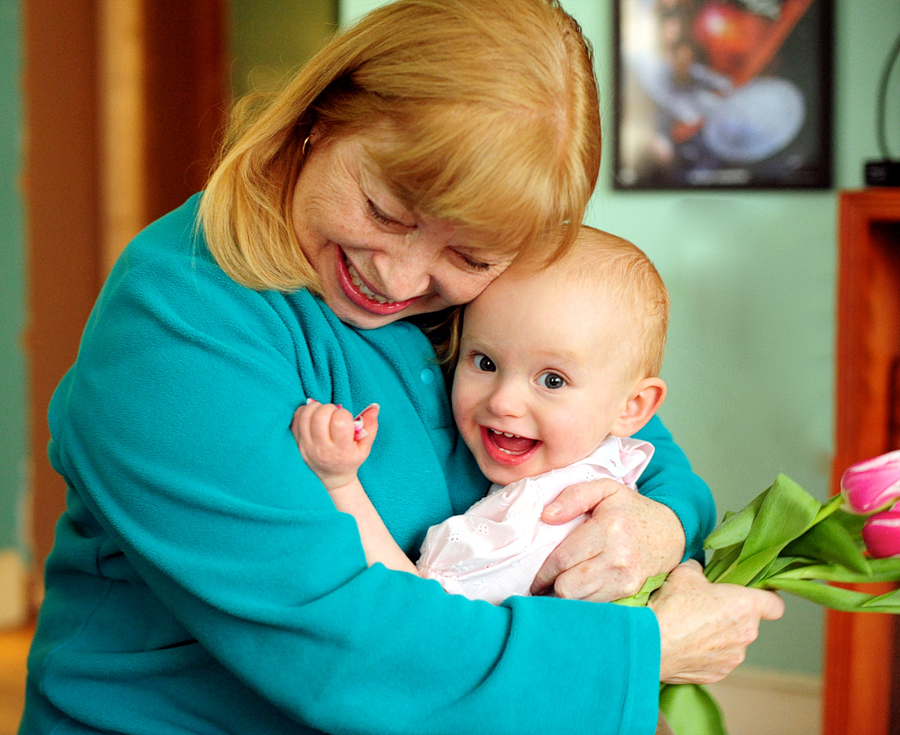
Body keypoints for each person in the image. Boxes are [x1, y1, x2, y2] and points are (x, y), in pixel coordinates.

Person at [20, 2, 784, 734]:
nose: (399, 278)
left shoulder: (494, 298)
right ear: (321, 118)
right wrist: (642, 653)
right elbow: (335, 640)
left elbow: (636, 443)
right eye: (387, 210)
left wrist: (655, 524)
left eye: (468, 254)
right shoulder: (177, 317)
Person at [293, 227, 671, 606]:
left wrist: (340, 483)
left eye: (552, 380)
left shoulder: (536, 523)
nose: (504, 402)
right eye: (485, 362)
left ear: (632, 408)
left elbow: (423, 614)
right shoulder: (611, 464)